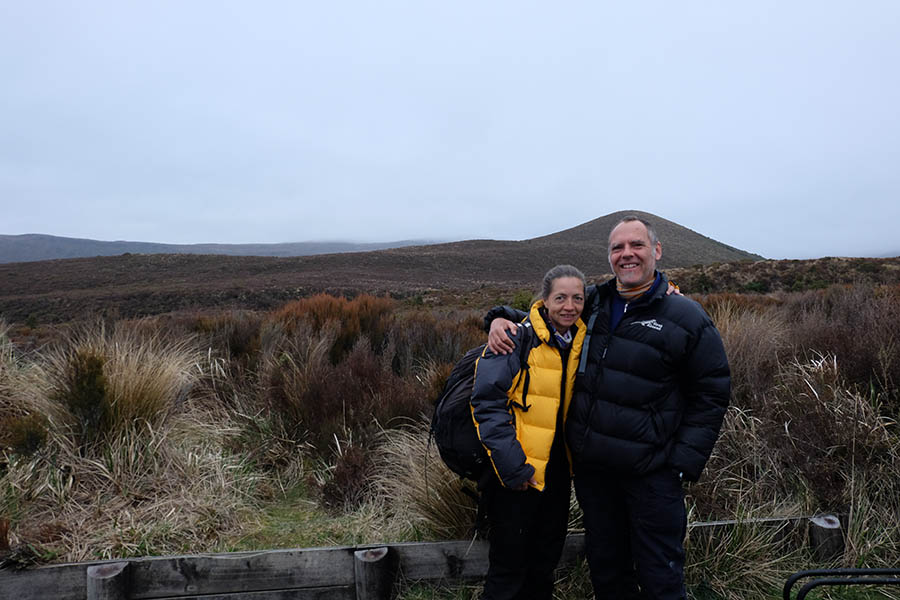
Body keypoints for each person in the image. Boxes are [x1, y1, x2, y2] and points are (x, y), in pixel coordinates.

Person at [486, 216, 731, 600]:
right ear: (610, 256)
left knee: (660, 576)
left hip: (652, 474)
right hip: (595, 474)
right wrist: (499, 318)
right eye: (618, 248)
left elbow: (712, 392)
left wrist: (682, 462)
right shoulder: (594, 302)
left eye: (637, 245)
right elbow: (550, 315)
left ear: (657, 251)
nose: (627, 254)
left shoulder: (686, 316)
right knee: (607, 571)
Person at [472, 264, 587, 600]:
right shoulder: (514, 339)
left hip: (558, 474)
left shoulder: (579, 341)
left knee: (543, 564)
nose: (569, 306)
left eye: (577, 298)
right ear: (544, 300)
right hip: (516, 474)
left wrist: (668, 289)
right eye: (560, 298)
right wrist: (513, 467)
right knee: (508, 569)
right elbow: (487, 404)